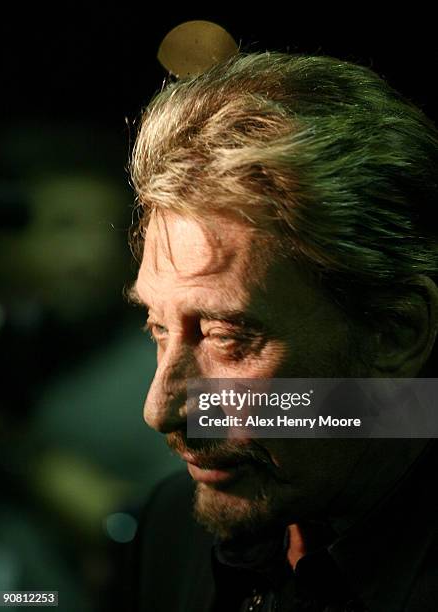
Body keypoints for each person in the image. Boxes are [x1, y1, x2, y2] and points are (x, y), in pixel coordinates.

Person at [125, 52, 438, 611]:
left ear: (396, 330)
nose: (161, 408)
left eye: (225, 336)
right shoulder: (171, 530)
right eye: (158, 327)